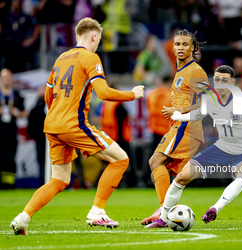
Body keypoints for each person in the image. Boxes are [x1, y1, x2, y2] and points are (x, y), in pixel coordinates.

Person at [10, 17, 144, 235]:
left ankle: (22, 217)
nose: (98, 43)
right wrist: (132, 94)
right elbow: (103, 92)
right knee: (121, 159)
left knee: (59, 179)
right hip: (74, 124)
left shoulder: (60, 59)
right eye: (99, 40)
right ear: (93, 36)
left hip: (52, 125)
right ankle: (97, 212)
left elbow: (47, 96)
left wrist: (58, 116)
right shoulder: (90, 57)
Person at [146, 65, 242, 228]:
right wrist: (176, 114)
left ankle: (215, 209)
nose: (220, 84)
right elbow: (196, 115)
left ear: (233, 82)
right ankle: (163, 219)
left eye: (224, 80)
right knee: (181, 177)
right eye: (217, 80)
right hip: (220, 148)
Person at [141, 29, 209, 225]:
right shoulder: (179, 70)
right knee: (173, 173)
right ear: (172, 47)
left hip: (186, 126)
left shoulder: (195, 70)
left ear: (193, 48)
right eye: (177, 44)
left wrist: (178, 110)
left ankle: (163, 210)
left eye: (185, 44)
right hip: (179, 127)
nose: (180, 48)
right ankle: (164, 211)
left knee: (155, 161)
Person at [0, 68, 27, 189]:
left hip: (11, 131)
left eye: (8, 77)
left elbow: (25, 112)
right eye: (4, 77)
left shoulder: (16, 96)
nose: (6, 79)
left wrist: (16, 113)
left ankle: (9, 183)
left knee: (11, 157)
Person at [146, 76, 172, 151]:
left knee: (155, 152)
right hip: (168, 129)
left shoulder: (151, 94)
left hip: (155, 128)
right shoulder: (172, 95)